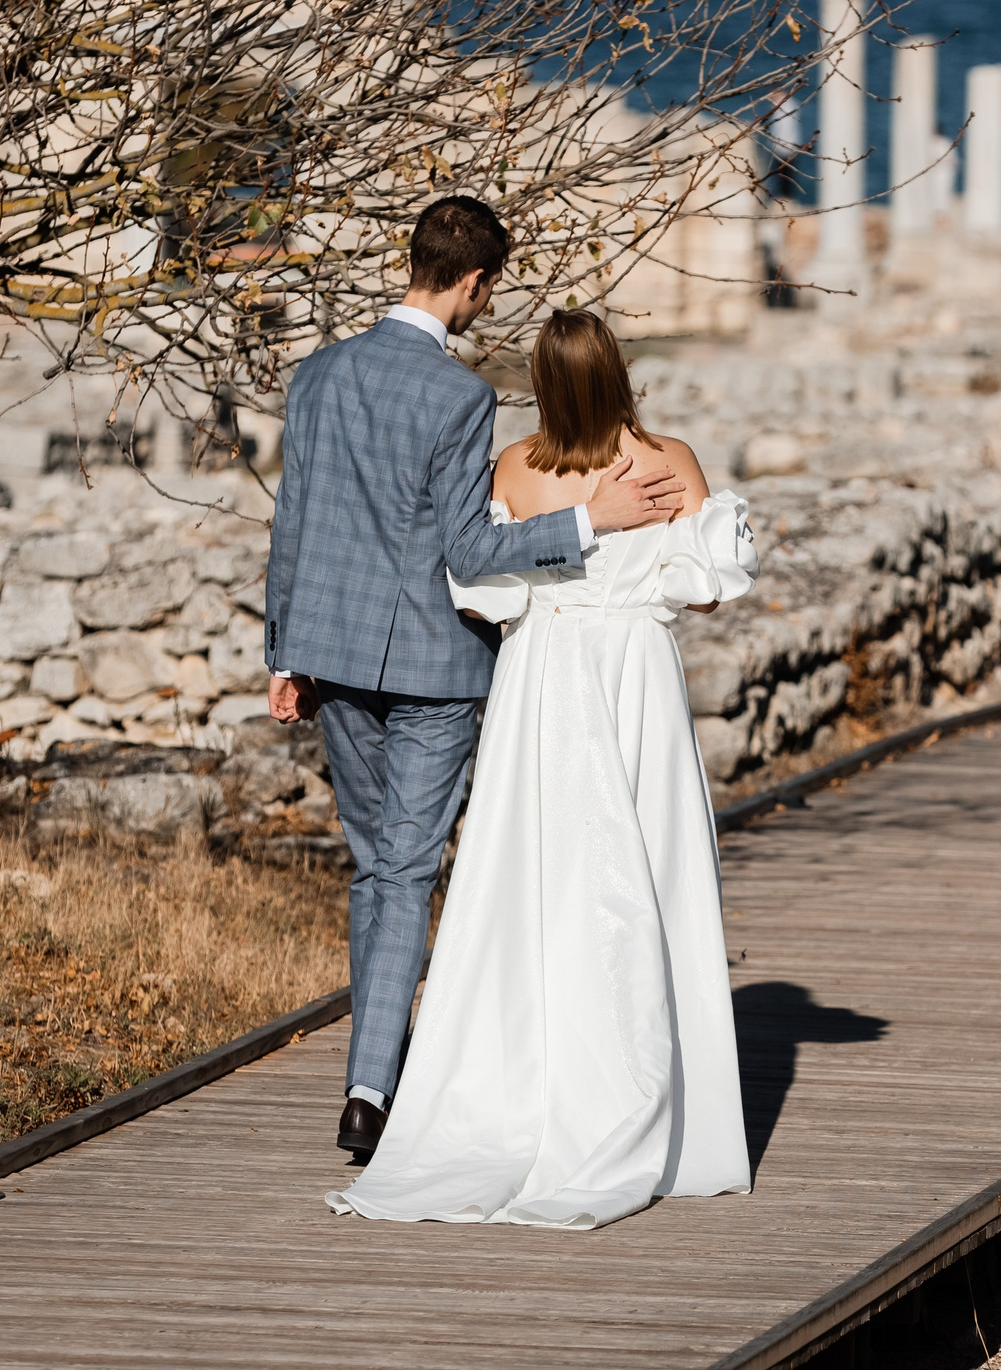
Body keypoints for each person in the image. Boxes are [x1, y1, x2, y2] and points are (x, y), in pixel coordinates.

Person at [262, 196, 686, 1163]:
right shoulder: (459, 397)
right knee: (404, 868)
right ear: (474, 282)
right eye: (487, 290)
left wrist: (284, 651)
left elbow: (295, 522)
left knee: (379, 867)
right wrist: (591, 522)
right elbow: (469, 547)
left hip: (327, 656)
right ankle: (370, 1090)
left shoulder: (317, 374)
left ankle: (380, 1066)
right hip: (432, 666)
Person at [326, 308, 757, 1230]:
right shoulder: (669, 461)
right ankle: (659, 1110)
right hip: (635, 674)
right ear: (617, 373)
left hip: (545, 678)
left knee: (538, 883)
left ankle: (526, 1084)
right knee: (649, 873)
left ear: (545, 384)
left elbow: (479, 594)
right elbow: (713, 589)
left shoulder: (516, 470)